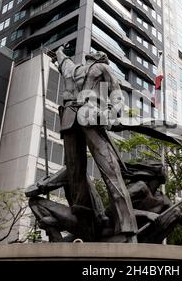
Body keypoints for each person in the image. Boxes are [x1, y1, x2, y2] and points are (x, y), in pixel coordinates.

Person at [51, 45, 138, 242]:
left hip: (82, 118)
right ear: (100, 58)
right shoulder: (88, 68)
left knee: (99, 170)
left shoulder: (83, 68)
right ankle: (87, 224)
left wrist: (109, 113)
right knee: (85, 172)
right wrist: (113, 113)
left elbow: (61, 57)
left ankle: (124, 226)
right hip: (79, 117)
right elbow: (116, 95)